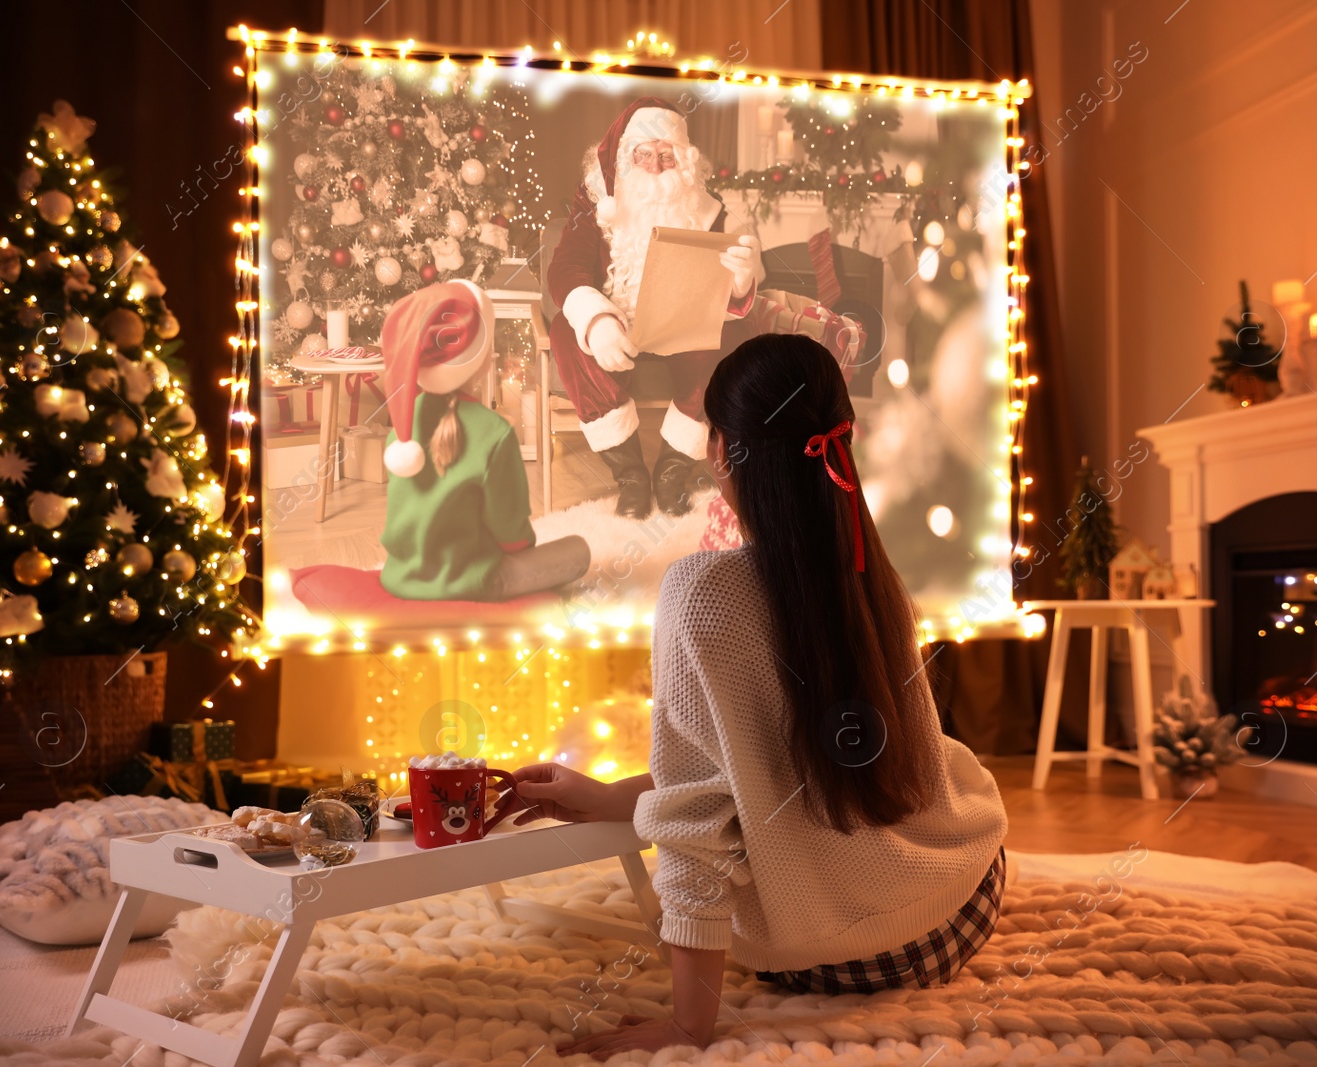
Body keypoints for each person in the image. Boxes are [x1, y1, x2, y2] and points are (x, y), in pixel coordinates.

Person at [494, 333, 1009, 1058]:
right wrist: (614, 799)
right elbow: (759, 770)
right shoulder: (873, 569)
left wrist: (686, 1027)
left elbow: (700, 822)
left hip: (847, 961)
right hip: (967, 894)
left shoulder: (701, 594)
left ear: (720, 450)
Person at [548, 96, 763, 519]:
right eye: (643, 154)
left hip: (684, 328)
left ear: (683, 159)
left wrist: (741, 280)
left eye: (666, 155)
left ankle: (671, 469)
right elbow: (565, 268)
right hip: (617, 325)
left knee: (740, 339)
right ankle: (630, 475)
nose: (655, 165)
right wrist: (596, 320)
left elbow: (733, 282)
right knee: (564, 330)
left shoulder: (708, 207)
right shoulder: (595, 201)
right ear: (626, 157)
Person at [378, 280, 589, 601]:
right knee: (578, 552)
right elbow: (512, 534)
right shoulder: (494, 431)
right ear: (483, 359)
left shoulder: (402, 422)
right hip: (468, 581)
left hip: (399, 576)